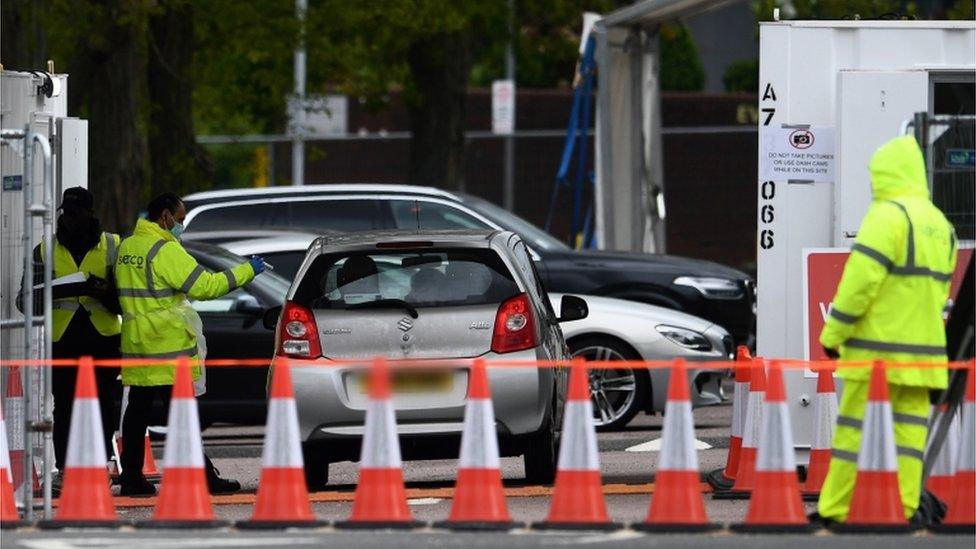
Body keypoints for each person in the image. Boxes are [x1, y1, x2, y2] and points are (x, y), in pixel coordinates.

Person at [818, 134, 957, 523]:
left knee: (851, 435)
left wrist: (833, 335)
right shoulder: (940, 224)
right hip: (924, 358)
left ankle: (836, 511)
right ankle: (907, 508)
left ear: (885, 174)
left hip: (875, 355)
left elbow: (859, 284)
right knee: (910, 439)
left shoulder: (886, 216)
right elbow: (940, 292)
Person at [114, 192, 266, 496]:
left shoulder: (128, 245)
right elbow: (205, 286)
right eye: (180, 219)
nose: (181, 225)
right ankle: (204, 478)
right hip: (166, 343)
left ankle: (131, 477)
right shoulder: (164, 249)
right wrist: (247, 271)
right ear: (166, 216)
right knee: (182, 414)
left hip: (136, 341)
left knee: (137, 413)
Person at [16, 187, 122, 494]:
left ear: (90, 213)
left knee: (103, 403)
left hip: (103, 337)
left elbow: (125, 301)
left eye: (76, 212)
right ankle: (64, 469)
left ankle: (100, 464)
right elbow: (24, 301)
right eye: (66, 212)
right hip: (62, 339)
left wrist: (105, 292)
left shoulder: (113, 245)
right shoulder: (44, 250)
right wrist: (51, 291)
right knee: (63, 406)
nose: (69, 218)